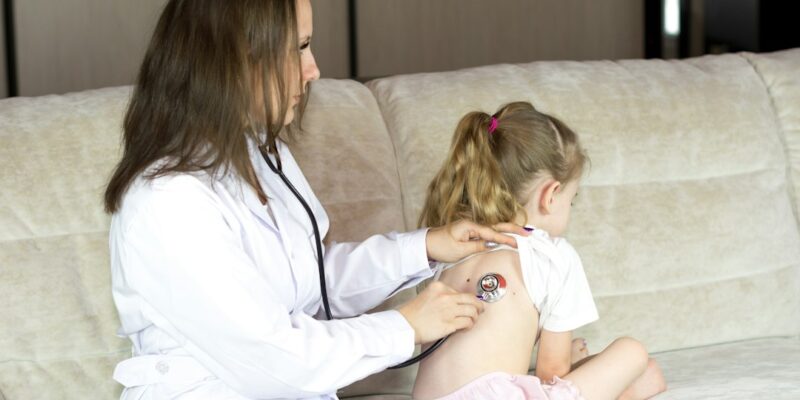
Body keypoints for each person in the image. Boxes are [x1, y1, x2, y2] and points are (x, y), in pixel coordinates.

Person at [103, 1, 527, 399]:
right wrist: (404, 327)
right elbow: (271, 355)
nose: (313, 70)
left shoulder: (261, 155)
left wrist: (427, 246)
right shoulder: (168, 202)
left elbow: (314, 283)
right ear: (234, 60)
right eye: (299, 48)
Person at [412, 102, 668, 400]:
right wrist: (575, 363)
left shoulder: (452, 245)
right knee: (633, 354)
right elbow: (552, 373)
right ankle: (631, 392)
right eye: (571, 200)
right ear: (551, 195)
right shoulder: (552, 254)